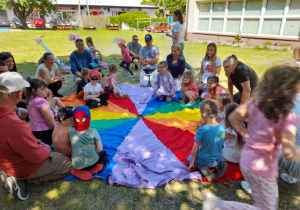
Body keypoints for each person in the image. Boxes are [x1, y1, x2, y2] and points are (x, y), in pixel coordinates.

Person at [203, 66, 300, 209]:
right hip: (262, 169)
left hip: (247, 161)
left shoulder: (255, 103)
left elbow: (234, 117)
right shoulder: (289, 117)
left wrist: (247, 135)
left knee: (267, 202)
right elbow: (289, 153)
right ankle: (218, 205)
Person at [0, 72, 72, 201]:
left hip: (6, 160)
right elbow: (36, 156)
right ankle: (21, 179)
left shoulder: (13, 117)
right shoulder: (13, 124)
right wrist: (46, 148)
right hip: (19, 165)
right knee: (67, 163)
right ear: (19, 94)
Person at [186, 99, 227, 182]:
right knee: (207, 152)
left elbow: (195, 149)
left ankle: (203, 168)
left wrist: (192, 163)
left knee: (189, 158)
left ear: (204, 115)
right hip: (218, 158)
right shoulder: (222, 127)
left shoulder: (202, 130)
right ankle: (218, 165)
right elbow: (222, 144)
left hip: (205, 161)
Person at [69, 106, 108, 180]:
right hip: (92, 163)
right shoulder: (93, 131)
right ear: (89, 118)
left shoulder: (71, 132)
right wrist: (93, 153)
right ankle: (97, 167)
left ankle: (77, 171)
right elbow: (100, 148)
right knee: (104, 154)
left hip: (77, 164)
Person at [26, 78, 56, 145]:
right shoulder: (41, 101)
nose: (46, 91)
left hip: (34, 130)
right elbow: (49, 118)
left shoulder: (31, 98)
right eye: (42, 89)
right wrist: (55, 127)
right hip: (45, 131)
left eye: (46, 88)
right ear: (34, 90)